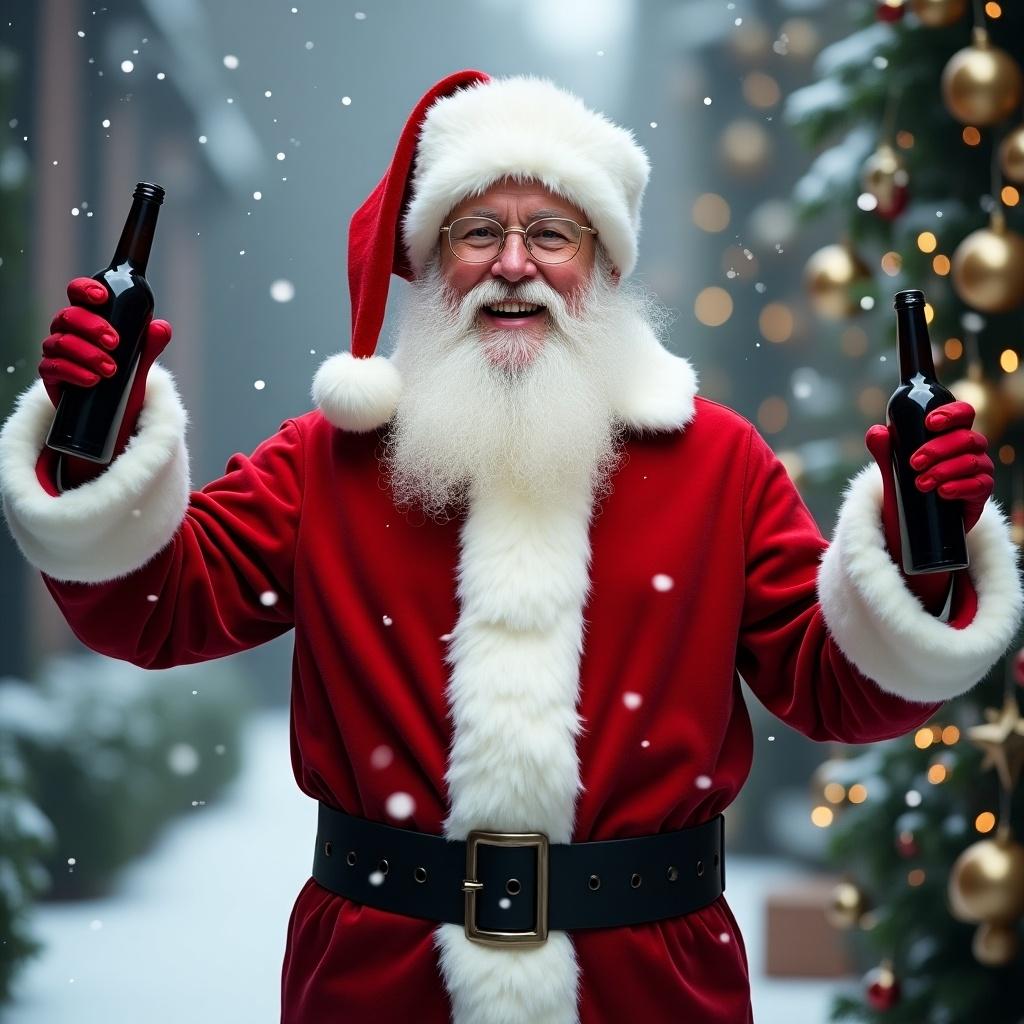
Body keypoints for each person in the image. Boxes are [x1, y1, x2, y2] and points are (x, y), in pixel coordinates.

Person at [0, 69, 1021, 1024]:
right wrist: (99, 449)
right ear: (431, 263)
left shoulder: (718, 463)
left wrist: (916, 551)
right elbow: (157, 606)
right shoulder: (331, 458)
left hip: (649, 982)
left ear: (605, 263)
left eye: (552, 233)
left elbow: (835, 685)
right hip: (378, 978)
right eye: (477, 231)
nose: (515, 265)